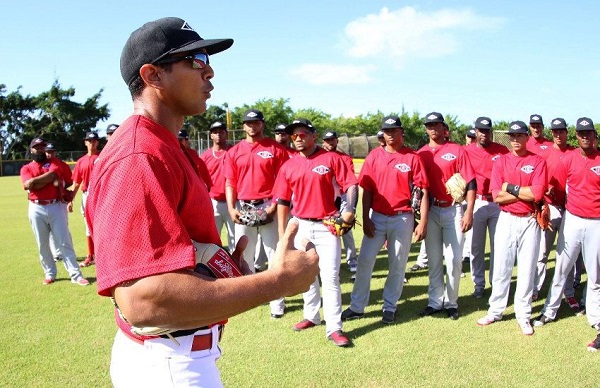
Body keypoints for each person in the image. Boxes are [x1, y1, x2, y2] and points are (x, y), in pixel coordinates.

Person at [85, 17, 319, 387]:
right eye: (195, 60)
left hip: (175, 353)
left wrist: (219, 273)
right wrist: (278, 282)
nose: (209, 70)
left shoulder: (162, 143)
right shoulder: (139, 155)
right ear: (153, 75)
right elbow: (144, 302)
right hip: (167, 363)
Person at [273, 118, 358, 347]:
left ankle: (334, 327)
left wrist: (349, 209)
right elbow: (282, 200)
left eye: (302, 134)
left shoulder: (331, 158)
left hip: (327, 224)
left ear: (313, 135)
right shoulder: (289, 165)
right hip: (300, 224)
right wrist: (283, 235)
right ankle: (312, 316)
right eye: (294, 136)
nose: (298, 139)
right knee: (305, 276)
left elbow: (350, 184)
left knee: (330, 277)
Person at [342, 116, 429, 324]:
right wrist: (366, 218)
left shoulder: (412, 157)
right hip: (378, 217)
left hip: (402, 217)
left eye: (394, 130)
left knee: (397, 264)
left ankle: (390, 306)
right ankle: (357, 306)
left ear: (401, 132)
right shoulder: (374, 156)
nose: (390, 134)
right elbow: (368, 190)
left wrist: (423, 221)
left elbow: (423, 190)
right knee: (364, 262)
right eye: (386, 131)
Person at [533, 117, 600, 352]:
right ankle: (548, 312)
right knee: (561, 267)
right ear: (577, 136)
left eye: (588, 133)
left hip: (596, 222)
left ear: (594, 135)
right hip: (572, 218)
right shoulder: (569, 158)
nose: (584, 136)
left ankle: (596, 319)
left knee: (595, 274)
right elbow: (555, 188)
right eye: (581, 133)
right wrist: (542, 206)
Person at [476, 120, 547, 336]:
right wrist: (521, 192)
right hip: (505, 218)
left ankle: (523, 315)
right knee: (501, 266)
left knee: (526, 268)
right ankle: (496, 310)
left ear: (527, 137)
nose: (516, 140)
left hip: (529, 219)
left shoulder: (538, 161)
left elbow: (536, 194)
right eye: (512, 136)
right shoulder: (501, 161)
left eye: (519, 136)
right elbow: (497, 195)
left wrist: (511, 187)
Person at [224, 109, 290, 316]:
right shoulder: (234, 151)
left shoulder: (276, 149)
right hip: (244, 206)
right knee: (245, 255)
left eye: (256, 122)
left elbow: (284, 180)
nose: (252, 126)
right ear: (243, 126)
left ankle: (276, 303)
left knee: (274, 254)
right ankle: (251, 298)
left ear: (262, 124)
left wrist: (274, 205)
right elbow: (230, 182)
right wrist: (231, 207)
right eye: (248, 123)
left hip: (267, 204)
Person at [416, 112, 476, 320]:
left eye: (436, 125)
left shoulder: (457, 150)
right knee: (433, 259)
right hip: (431, 209)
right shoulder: (421, 153)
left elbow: (471, 182)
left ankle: (451, 302)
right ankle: (435, 302)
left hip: (454, 209)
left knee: (454, 259)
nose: (432, 128)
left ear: (444, 128)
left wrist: (469, 211)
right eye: (429, 125)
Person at [20, 138, 90, 286]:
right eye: (36, 147)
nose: (40, 149)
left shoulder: (54, 163)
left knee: (64, 241)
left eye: (42, 147)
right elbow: (28, 185)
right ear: (31, 150)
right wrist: (37, 182)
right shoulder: (26, 168)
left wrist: (35, 182)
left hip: (55, 205)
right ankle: (50, 273)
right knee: (42, 243)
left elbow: (53, 176)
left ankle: (75, 275)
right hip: (36, 207)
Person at [532, 118, 577, 306]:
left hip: (572, 210)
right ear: (551, 133)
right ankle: (535, 289)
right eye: (555, 131)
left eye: (561, 131)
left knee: (568, 255)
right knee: (542, 253)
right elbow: (539, 179)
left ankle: (569, 292)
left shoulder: (575, 153)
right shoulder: (546, 153)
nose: (558, 134)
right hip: (550, 207)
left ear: (567, 132)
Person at [463, 117, 509, 298]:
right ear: (475, 131)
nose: (484, 133)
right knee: (476, 247)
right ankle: (479, 284)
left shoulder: (502, 150)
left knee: (500, 246)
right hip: (477, 202)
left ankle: (496, 283)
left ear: (491, 132)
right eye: (480, 130)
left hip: (498, 202)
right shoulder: (466, 151)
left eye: (487, 130)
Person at [322, 130, 358, 273]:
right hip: (325, 198)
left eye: (332, 140)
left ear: (337, 141)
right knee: (324, 230)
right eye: (327, 140)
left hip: (342, 197)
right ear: (323, 142)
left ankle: (352, 261)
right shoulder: (320, 156)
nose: (330, 142)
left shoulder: (345, 158)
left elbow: (347, 180)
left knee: (345, 229)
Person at [200, 120, 235, 251]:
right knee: (213, 238)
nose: (218, 134)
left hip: (232, 202)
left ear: (226, 133)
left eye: (221, 131)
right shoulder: (205, 156)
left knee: (235, 238)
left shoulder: (233, 151)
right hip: (213, 201)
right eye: (215, 132)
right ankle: (216, 268)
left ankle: (236, 267)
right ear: (211, 136)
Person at [70, 131, 101, 267]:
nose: (92, 143)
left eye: (94, 140)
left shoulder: (102, 157)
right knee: (88, 227)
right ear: (85, 142)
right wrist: (71, 199)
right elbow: (77, 182)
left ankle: (102, 256)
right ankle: (91, 255)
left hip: (100, 193)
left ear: (97, 142)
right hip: (86, 194)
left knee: (102, 226)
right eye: (89, 140)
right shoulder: (81, 161)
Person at [45, 142, 72, 263]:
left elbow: (69, 181)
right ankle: (56, 253)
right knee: (49, 229)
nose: (50, 154)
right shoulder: (42, 165)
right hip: (46, 201)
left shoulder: (62, 165)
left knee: (63, 228)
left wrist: (61, 187)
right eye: (48, 152)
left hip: (60, 200)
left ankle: (66, 251)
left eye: (52, 151)